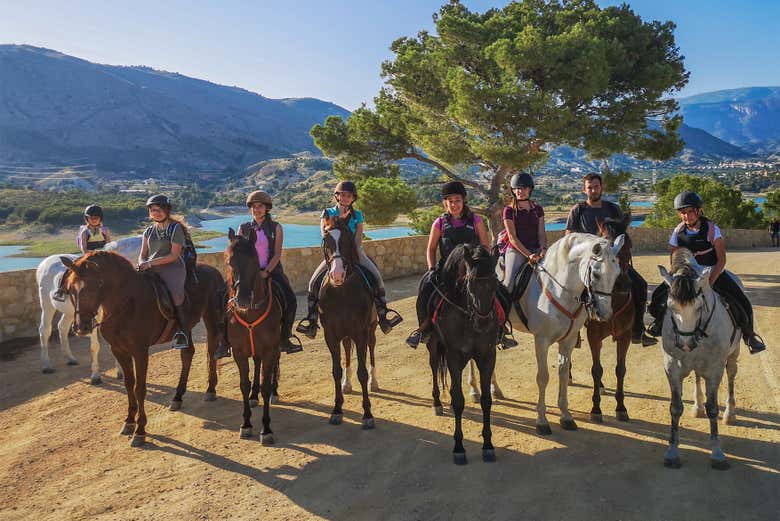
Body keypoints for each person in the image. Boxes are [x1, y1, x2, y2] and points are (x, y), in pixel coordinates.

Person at [647, 191, 766, 354]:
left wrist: (709, 281)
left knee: (742, 301)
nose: (686, 216)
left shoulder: (712, 229)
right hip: (686, 275)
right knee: (657, 297)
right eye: (682, 212)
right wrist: (679, 280)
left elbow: (721, 259)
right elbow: (674, 260)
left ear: (698, 211)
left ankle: (749, 336)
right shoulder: (678, 232)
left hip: (711, 272)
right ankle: (658, 324)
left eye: (689, 211)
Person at [296, 181, 402, 339]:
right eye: (342, 195)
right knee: (313, 282)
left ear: (353, 198)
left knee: (377, 277)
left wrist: (354, 251)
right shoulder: (328, 213)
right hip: (335, 254)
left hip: (355, 253)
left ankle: (383, 315)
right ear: (337, 196)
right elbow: (325, 235)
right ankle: (312, 320)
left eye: (349, 196)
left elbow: (358, 237)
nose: (345, 198)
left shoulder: (357, 215)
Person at [565, 173, 657, 347]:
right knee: (571, 290)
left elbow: (622, 232)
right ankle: (573, 332)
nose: (593, 190)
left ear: (602, 188)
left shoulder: (613, 209)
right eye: (589, 187)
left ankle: (638, 330)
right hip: (589, 264)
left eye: (596, 186)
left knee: (640, 285)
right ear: (584, 190)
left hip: (614, 262)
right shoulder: (578, 210)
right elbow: (569, 237)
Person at [214, 191, 302, 359]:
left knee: (289, 298)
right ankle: (224, 342)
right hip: (245, 273)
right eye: (254, 207)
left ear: (267, 208)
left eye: (260, 206)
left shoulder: (276, 227)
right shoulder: (243, 228)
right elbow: (237, 251)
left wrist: (266, 272)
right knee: (220, 296)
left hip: (270, 270)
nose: (257, 209)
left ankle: (285, 338)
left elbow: (277, 254)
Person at [405, 181, 492, 349]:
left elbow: (485, 246)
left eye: (457, 200)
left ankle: (501, 330)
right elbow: (430, 249)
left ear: (463, 201)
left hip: (472, 270)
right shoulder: (439, 223)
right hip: (446, 271)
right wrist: (431, 269)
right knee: (424, 290)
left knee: (496, 290)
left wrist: (480, 264)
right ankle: (423, 329)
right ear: (445, 203)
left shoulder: (476, 220)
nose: (454, 204)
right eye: (450, 201)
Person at [138, 195, 190, 350]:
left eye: (160, 210)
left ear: (167, 211)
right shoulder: (148, 231)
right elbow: (143, 253)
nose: (157, 213)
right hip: (150, 267)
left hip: (172, 267)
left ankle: (182, 331)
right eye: (153, 210)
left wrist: (149, 263)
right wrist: (141, 262)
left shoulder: (175, 228)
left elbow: (174, 255)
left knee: (176, 295)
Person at [53, 204, 112, 301]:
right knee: (71, 269)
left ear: (100, 218)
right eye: (91, 218)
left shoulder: (105, 231)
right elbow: (83, 247)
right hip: (89, 257)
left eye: (96, 218)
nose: (93, 220)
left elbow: (109, 245)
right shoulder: (85, 231)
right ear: (87, 218)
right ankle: (61, 290)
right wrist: (90, 256)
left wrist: (107, 255)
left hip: (103, 257)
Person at [501, 173, 547, 292]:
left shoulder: (538, 209)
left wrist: (543, 248)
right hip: (516, 251)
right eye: (517, 188)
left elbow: (541, 233)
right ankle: (504, 309)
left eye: (524, 188)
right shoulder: (509, 211)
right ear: (513, 190)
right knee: (509, 284)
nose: (520, 191)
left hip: (536, 249)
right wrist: (529, 255)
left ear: (530, 189)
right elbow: (512, 237)